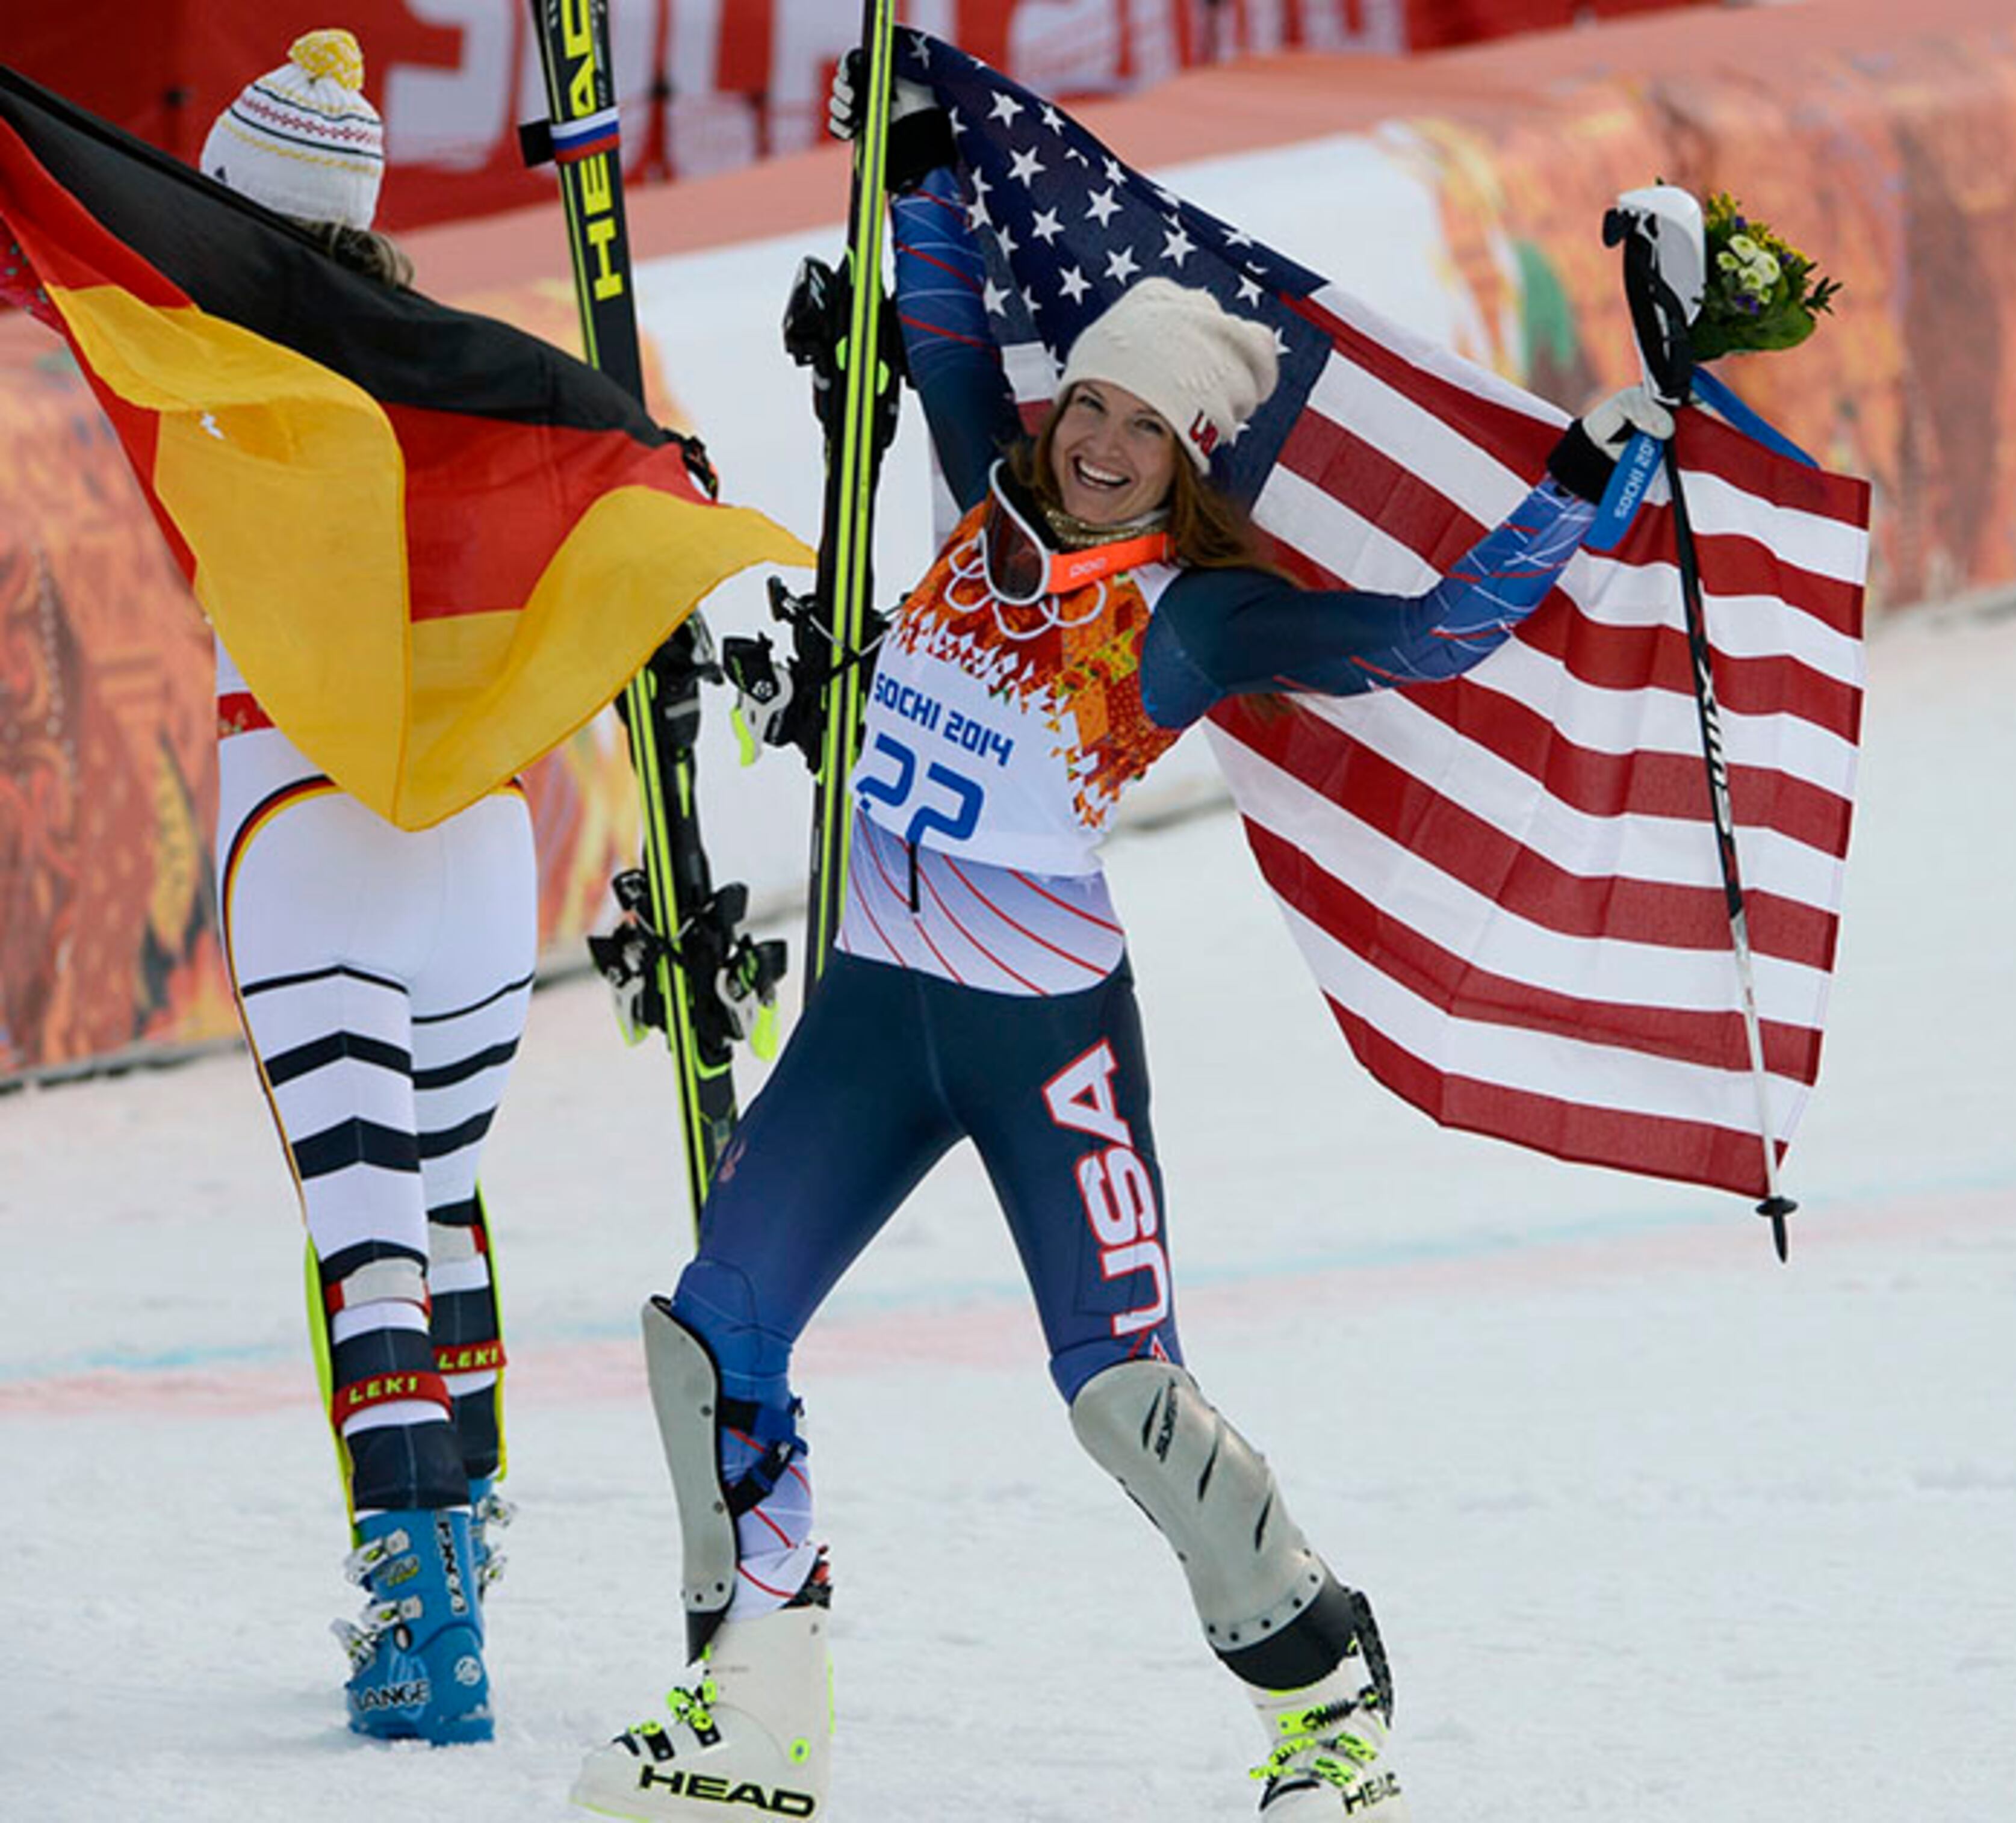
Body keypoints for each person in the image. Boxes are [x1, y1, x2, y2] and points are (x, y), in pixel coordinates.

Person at [572, 57, 1672, 1822]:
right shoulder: (975, 506)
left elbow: (1436, 634)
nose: (1098, 442)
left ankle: (1327, 1701)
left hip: (1041, 1034)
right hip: (875, 1006)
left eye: (1139, 429)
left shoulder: (1193, 615)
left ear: (1186, 456)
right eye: (1090, 408)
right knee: (713, 1340)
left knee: (1123, 1401)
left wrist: (1583, 483)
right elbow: (933, 313)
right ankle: (757, 1713)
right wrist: (911, 152)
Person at [203, 31, 526, 1745]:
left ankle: (425, 1634)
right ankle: (466, 1565)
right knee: (448, 1214)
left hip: (304, 832)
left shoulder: (197, 363)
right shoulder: (462, 368)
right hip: (477, 847)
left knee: (366, 1246)